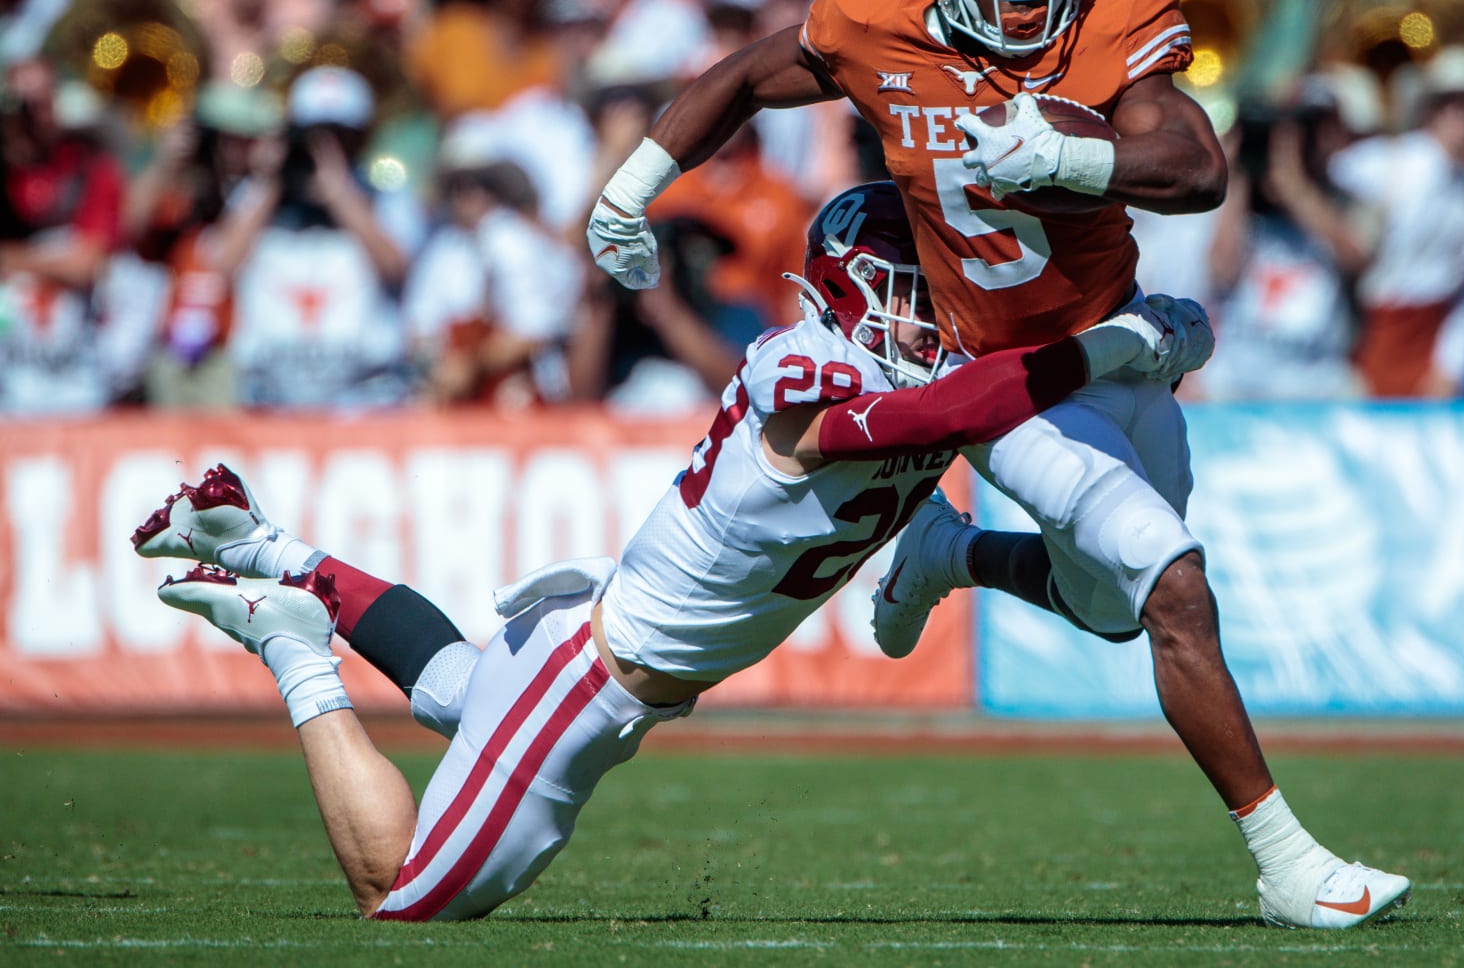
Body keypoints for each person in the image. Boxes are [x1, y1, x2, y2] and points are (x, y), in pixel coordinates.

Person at [585, 0, 1410, 927]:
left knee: (1115, 614)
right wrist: (630, 187)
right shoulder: (877, 18)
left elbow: (1199, 165)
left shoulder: (1117, 19)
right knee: (1173, 587)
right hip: (1010, 381)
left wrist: (1080, 159)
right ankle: (1288, 865)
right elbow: (743, 74)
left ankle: (947, 552)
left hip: (1119, 346)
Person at [134, 181, 1212, 921]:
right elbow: (944, 414)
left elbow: (1000, 381)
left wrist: (1141, 331)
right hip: (591, 676)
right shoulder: (809, 370)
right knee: (403, 894)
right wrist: (1121, 343)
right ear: (851, 287)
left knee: (459, 684)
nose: (935, 311)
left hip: (605, 645)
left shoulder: (916, 378)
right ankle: (294, 645)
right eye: (914, 287)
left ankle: (266, 543)